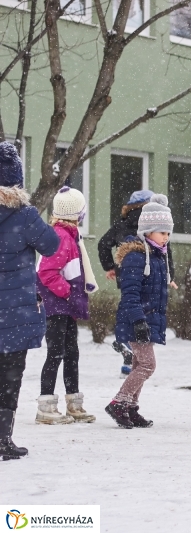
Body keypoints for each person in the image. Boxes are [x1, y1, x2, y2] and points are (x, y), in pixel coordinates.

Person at [0, 141, 60, 460]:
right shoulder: (24, 215)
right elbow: (51, 245)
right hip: (15, 314)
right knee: (10, 375)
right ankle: (2, 438)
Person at [104, 195, 173, 429]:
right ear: (147, 231)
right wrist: (139, 321)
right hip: (137, 320)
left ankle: (131, 407)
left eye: (168, 233)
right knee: (147, 365)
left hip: (146, 319)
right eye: (162, 232)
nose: (166, 237)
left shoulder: (156, 257)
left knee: (138, 364)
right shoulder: (136, 257)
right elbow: (130, 294)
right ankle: (119, 402)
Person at [35, 187, 98, 425]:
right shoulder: (61, 237)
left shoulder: (71, 236)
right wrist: (69, 293)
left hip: (66, 306)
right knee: (56, 354)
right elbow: (46, 272)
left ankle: (74, 403)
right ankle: (46, 405)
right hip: (57, 306)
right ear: (77, 213)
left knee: (72, 353)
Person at [98, 190, 177, 377]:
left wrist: (110, 266)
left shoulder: (122, 224)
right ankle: (130, 345)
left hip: (127, 270)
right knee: (144, 310)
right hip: (152, 273)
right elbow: (167, 253)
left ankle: (127, 350)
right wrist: (169, 276)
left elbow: (103, 244)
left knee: (129, 302)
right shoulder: (156, 221)